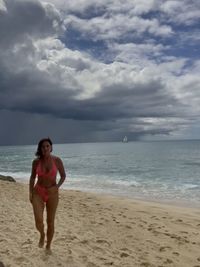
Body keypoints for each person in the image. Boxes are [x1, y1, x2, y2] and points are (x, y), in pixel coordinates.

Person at [29, 138, 66, 253]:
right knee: (38, 220)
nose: (45, 148)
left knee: (50, 221)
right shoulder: (36, 162)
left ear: (51, 147)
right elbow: (32, 177)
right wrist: (30, 192)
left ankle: (48, 245)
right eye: (43, 146)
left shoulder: (57, 161)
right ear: (40, 148)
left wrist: (57, 186)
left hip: (52, 194)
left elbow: (63, 176)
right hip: (38, 192)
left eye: (47, 146)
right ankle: (42, 234)